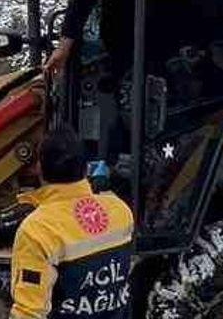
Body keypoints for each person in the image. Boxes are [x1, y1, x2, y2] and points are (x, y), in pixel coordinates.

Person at [9, 127, 134, 319]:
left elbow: (29, 312)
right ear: (86, 168)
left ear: (39, 168)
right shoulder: (120, 211)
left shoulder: (38, 229)